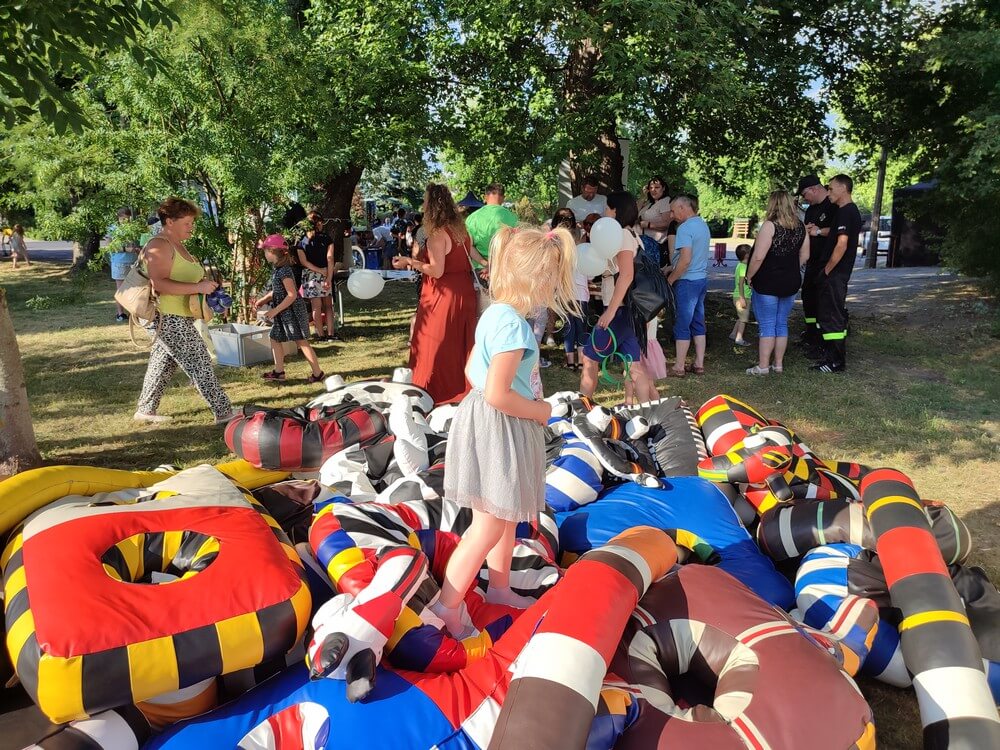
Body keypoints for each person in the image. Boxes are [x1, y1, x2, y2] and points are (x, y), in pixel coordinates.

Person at [430, 224, 579, 638]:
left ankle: (497, 587)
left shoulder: (494, 313)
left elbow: (471, 371)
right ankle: (447, 607)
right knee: (490, 524)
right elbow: (498, 393)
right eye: (553, 281)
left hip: (484, 420)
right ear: (539, 279)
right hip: (501, 424)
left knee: (503, 515)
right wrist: (539, 410)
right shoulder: (514, 325)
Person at [135, 197, 236, 425]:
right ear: (170, 221)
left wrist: (203, 285)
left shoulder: (176, 244)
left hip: (177, 315)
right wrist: (198, 286)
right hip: (165, 316)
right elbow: (158, 284)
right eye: (187, 223)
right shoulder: (159, 245)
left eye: (191, 223)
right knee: (199, 358)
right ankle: (224, 412)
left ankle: (145, 410)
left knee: (164, 361)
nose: (191, 228)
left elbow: (182, 277)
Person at [392, 184, 481, 404]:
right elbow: (475, 256)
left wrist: (410, 262)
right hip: (465, 291)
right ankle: (465, 383)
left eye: (424, 201)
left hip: (443, 295)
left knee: (435, 342)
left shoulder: (436, 234)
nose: (422, 205)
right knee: (462, 341)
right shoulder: (461, 231)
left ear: (430, 206)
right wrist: (490, 264)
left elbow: (437, 270)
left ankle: (436, 389)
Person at [580, 191, 654, 402]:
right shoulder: (633, 235)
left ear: (615, 210)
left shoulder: (620, 235)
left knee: (589, 358)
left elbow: (626, 275)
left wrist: (610, 312)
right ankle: (646, 411)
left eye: (607, 208)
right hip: (631, 311)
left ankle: (582, 407)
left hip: (618, 310)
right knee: (634, 365)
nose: (604, 212)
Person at [744, 192, 810, 375]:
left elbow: (758, 257)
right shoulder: (801, 227)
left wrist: (749, 276)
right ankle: (778, 364)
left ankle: (763, 366)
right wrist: (791, 267)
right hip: (790, 281)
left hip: (768, 281)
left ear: (772, 204)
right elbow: (806, 254)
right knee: (781, 323)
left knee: (767, 324)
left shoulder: (769, 226)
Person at [255, 234, 326, 383]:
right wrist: (264, 299)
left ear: (273, 251)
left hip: (291, 311)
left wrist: (274, 310)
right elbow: (278, 290)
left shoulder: (285, 270)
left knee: (301, 341)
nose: (264, 254)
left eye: (265, 251)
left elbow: (292, 294)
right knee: (274, 337)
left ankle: (317, 373)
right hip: (284, 312)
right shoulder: (278, 270)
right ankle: (279, 371)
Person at [812, 174, 861, 373]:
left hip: (835, 273)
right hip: (834, 273)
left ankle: (836, 362)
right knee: (827, 313)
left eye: (831, 189)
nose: (829, 193)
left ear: (843, 188)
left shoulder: (847, 212)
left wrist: (827, 270)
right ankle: (829, 355)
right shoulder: (843, 211)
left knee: (833, 315)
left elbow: (841, 244)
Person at [664, 195, 710, 377]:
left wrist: (671, 279)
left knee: (682, 323)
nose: (671, 215)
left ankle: (679, 366)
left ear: (683, 208)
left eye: (673, 210)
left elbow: (685, 260)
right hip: (701, 279)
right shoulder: (702, 225)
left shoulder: (684, 228)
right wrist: (671, 267)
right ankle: (699, 363)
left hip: (687, 281)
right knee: (698, 322)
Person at [797, 175, 835, 350]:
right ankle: (811, 333)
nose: (805, 198)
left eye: (805, 194)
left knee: (823, 301)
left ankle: (822, 339)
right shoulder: (811, 209)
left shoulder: (833, 205)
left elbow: (838, 231)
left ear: (814, 189)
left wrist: (818, 231)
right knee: (808, 297)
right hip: (811, 261)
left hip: (826, 261)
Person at [297, 212, 338, 342]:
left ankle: (320, 335)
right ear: (318, 223)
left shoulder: (301, 241)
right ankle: (331, 334)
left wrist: (317, 270)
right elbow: (330, 258)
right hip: (326, 272)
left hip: (310, 275)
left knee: (316, 307)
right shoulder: (327, 238)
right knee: (328, 306)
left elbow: (304, 262)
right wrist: (328, 276)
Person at [465, 183, 518, 262]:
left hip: (480, 270)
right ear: (503, 198)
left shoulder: (472, 218)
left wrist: (485, 264)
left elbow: (468, 246)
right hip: (503, 267)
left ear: (485, 197)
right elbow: (516, 245)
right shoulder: (513, 217)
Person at [111, 208, 140, 322]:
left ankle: (134, 313)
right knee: (121, 289)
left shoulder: (133, 229)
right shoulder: (114, 229)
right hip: (120, 262)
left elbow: (136, 243)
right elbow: (111, 246)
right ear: (118, 218)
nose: (125, 221)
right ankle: (120, 313)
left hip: (133, 261)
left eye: (127, 219)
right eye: (123, 218)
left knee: (134, 289)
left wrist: (137, 249)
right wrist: (125, 249)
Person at [638, 176, 672, 245]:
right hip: (643, 242)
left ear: (663, 188)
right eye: (651, 188)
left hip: (656, 245)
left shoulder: (665, 201)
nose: (653, 190)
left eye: (657, 187)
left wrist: (648, 225)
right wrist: (644, 196)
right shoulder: (649, 204)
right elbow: (634, 211)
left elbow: (666, 224)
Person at [730, 244, 753, 347]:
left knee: (740, 317)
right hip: (743, 297)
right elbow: (740, 283)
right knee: (744, 319)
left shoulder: (740, 265)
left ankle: (733, 334)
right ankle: (739, 338)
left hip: (740, 296)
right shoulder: (743, 267)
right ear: (747, 255)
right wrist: (742, 298)